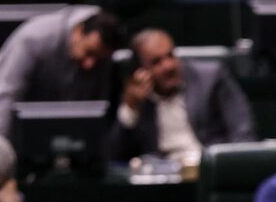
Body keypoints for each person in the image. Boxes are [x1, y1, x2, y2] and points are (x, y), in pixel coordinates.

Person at [0, 6, 122, 137]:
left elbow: (95, 110)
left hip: (49, 127)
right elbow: (6, 95)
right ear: (78, 31)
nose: (90, 64)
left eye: (99, 59)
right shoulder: (35, 38)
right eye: (89, 52)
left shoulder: (103, 53)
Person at [108, 28, 256, 162]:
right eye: (156, 62)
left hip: (209, 169)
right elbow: (115, 155)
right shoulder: (137, 96)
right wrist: (131, 109)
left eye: (170, 55)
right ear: (141, 70)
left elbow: (244, 132)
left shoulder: (212, 78)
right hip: (163, 175)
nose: (168, 66)